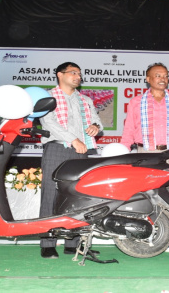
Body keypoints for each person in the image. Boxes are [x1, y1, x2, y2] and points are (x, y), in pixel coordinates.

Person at [121, 62, 169, 255]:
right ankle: (144, 235)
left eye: (165, 75)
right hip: (144, 154)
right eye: (158, 75)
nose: (162, 79)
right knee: (143, 195)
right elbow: (129, 130)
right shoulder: (136, 102)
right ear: (148, 79)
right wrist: (122, 153)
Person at [39, 62, 103, 259]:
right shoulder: (48, 97)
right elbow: (48, 122)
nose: (78, 76)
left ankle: (73, 243)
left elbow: (98, 122)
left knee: (78, 197)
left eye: (79, 74)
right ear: (60, 74)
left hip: (80, 152)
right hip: (57, 148)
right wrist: (73, 139)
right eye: (73, 73)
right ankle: (48, 243)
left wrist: (95, 127)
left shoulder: (85, 100)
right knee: (51, 195)